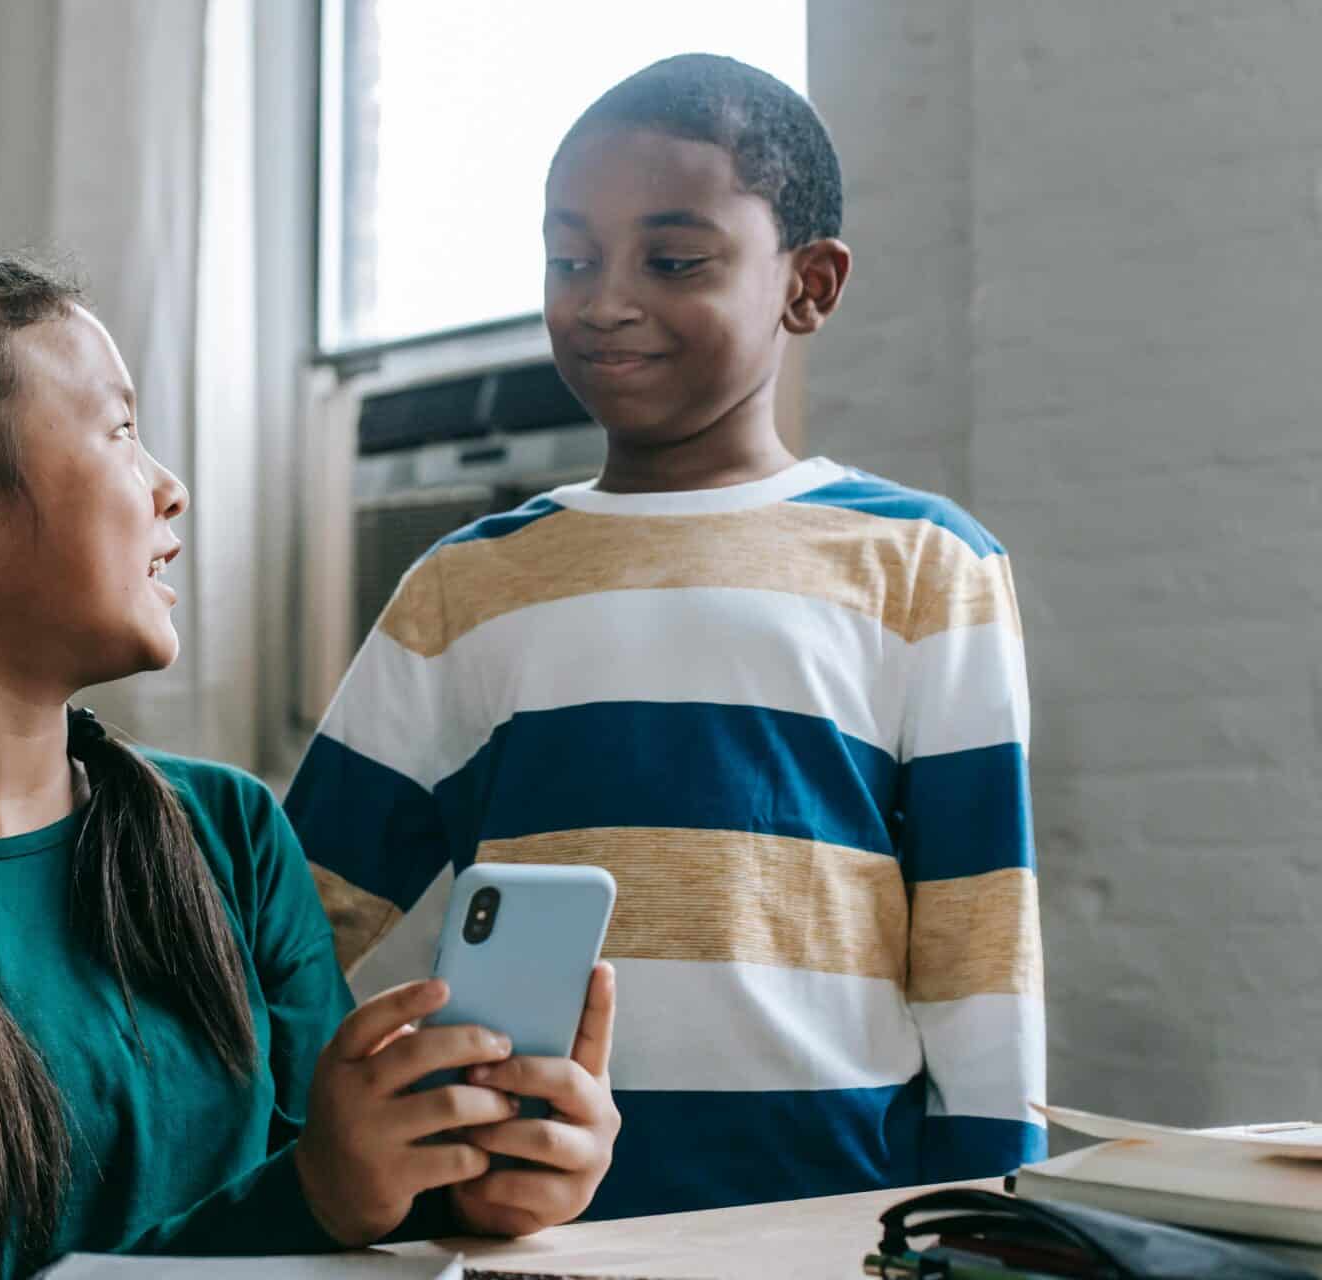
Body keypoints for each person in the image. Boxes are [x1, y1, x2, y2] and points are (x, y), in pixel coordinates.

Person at [0, 255, 619, 1277]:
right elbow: (304, 1201)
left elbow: (338, 1211)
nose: (169, 486)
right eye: (118, 430)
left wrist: (470, 1185)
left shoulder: (229, 829)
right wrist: (320, 1193)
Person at [286, 55, 1045, 1219]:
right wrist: (310, 1150)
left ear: (811, 284)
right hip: (528, 1226)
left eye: (673, 260)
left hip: (831, 1223)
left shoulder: (926, 566)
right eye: (570, 258)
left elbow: (979, 956)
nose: (604, 300)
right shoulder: (463, 585)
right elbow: (292, 923)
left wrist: (991, 1221)